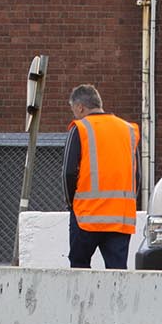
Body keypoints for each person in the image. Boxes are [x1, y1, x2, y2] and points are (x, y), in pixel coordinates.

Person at [62, 84, 140, 270]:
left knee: (79, 268)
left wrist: (71, 204)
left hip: (86, 216)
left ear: (80, 107)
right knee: (117, 272)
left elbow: (68, 172)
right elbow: (137, 175)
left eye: (74, 110)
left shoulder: (80, 128)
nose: (75, 114)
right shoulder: (128, 130)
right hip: (120, 218)